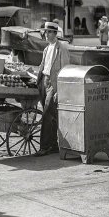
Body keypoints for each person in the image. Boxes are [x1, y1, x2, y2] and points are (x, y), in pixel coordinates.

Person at [35, 21, 70, 155]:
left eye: (49, 32)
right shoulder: (46, 48)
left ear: (55, 33)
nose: (46, 34)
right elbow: (42, 66)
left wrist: (59, 90)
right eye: (45, 31)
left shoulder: (62, 49)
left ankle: (43, 147)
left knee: (46, 115)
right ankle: (54, 145)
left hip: (54, 85)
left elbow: (64, 70)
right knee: (52, 116)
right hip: (44, 81)